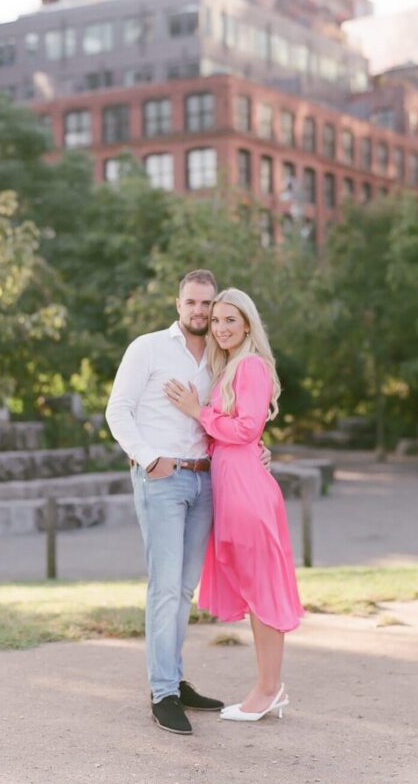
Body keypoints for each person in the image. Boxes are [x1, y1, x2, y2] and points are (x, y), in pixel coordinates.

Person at [164, 287, 304, 723]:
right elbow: (243, 434)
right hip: (233, 485)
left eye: (230, 320)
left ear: (247, 325)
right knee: (255, 589)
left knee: (263, 591)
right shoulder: (229, 368)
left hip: (246, 493)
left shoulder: (251, 366)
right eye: (216, 320)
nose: (221, 328)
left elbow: (245, 428)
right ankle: (267, 687)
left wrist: (197, 411)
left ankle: (268, 690)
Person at [105, 269, 224, 736]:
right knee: (165, 587)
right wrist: (149, 458)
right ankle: (162, 694)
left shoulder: (220, 357)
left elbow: (226, 416)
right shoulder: (148, 348)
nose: (199, 310)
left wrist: (257, 448)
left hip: (205, 481)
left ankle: (173, 679)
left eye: (207, 304)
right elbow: (118, 409)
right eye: (191, 302)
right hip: (163, 479)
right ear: (178, 304)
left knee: (184, 588)